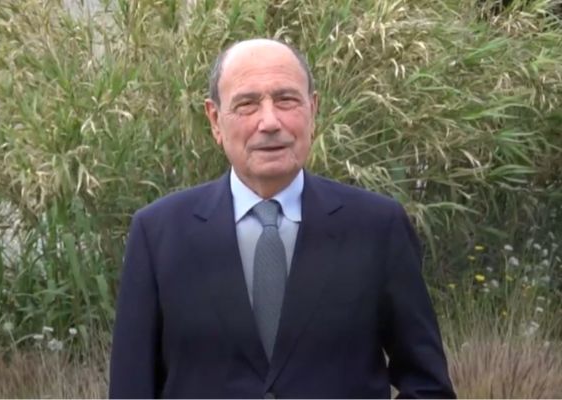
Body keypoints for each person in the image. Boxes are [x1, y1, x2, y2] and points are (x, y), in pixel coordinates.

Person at [109, 38, 456, 399]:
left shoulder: (377, 227)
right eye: (247, 104)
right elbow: (131, 389)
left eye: (286, 100)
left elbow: (428, 385)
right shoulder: (159, 234)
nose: (270, 122)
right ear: (215, 120)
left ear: (312, 109)